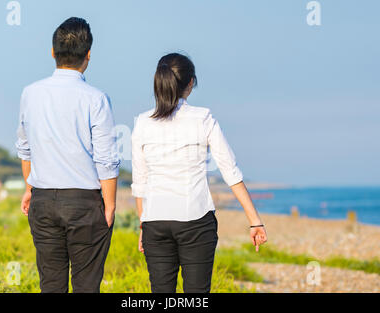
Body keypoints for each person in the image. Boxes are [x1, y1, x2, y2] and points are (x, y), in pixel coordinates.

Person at [131, 53, 267, 293]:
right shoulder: (203, 118)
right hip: (195, 219)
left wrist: (144, 225)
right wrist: (254, 221)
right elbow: (230, 170)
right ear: (190, 83)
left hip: (155, 223)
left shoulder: (142, 122)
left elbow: (140, 182)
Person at [15, 17, 119, 293]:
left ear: (52, 52)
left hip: (43, 199)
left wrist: (29, 188)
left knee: (50, 284)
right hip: (85, 202)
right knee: (86, 285)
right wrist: (109, 205)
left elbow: (24, 147)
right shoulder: (96, 98)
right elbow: (106, 158)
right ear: (88, 55)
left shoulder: (30, 93)